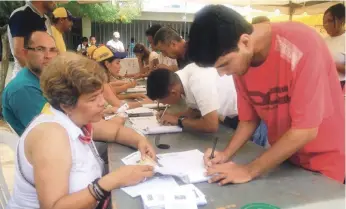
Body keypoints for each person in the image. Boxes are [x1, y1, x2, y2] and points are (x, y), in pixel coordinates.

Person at [187, 5, 345, 184]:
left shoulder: (302, 45)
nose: (223, 73)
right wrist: (225, 154)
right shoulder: (242, 62)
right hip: (285, 158)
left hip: (323, 159)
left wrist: (249, 170)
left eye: (224, 64)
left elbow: (306, 130)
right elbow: (248, 120)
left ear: (245, 41)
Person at [6, 52, 156, 209]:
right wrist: (112, 181)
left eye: (100, 95)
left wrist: (140, 141)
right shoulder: (51, 136)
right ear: (66, 104)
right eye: (93, 98)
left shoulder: (74, 118)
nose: (102, 102)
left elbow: (116, 132)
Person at [147, 65, 237, 133]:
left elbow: (211, 125)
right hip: (230, 116)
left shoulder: (198, 82)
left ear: (173, 93)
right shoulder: (181, 79)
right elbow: (195, 111)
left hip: (240, 114)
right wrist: (173, 116)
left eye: (162, 101)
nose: (164, 104)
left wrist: (179, 121)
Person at [2, 31, 59, 136]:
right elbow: (50, 133)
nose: (48, 56)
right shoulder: (23, 89)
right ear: (25, 53)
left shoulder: (43, 79)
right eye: (40, 49)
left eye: (52, 50)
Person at [92, 45, 152, 113]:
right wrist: (143, 103)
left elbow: (114, 96)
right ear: (107, 64)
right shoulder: (100, 83)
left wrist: (133, 95)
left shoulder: (101, 80)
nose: (120, 66)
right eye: (117, 63)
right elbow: (120, 106)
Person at [8, 0, 56, 78]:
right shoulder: (21, 15)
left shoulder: (45, 19)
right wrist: (38, 77)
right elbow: (19, 53)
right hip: (26, 80)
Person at [323, 3, 345, 88]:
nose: (325, 25)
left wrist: (333, 65)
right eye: (324, 22)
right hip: (324, 83)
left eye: (329, 21)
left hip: (340, 86)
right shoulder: (324, 40)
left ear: (342, 20)